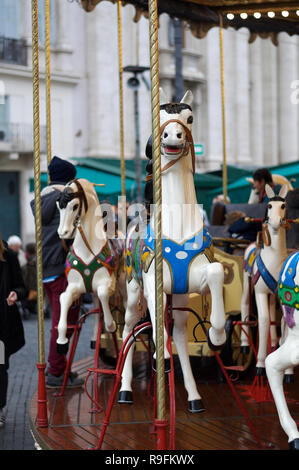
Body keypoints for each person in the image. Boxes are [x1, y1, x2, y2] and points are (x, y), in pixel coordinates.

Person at [30, 156, 83, 388]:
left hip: (47, 269)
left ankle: (61, 367)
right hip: (61, 268)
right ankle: (55, 372)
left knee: (63, 320)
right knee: (63, 322)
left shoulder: (42, 199)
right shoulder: (63, 199)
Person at [0, 233, 26, 427]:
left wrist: (16, 293)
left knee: (0, 367)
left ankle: (0, 407)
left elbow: (21, 287)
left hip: (2, 324)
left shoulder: (8, 255)